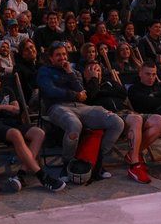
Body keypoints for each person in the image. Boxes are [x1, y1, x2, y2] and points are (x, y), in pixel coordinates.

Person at [0, 60, 65, 192]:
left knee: (39, 133)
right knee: (15, 134)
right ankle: (42, 175)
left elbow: (17, 109)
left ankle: (21, 174)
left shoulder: (7, 88)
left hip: (13, 122)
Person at [36, 42, 124, 182]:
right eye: (58, 55)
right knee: (74, 124)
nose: (62, 57)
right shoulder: (44, 71)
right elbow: (50, 91)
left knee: (117, 122)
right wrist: (74, 95)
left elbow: (82, 91)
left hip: (80, 106)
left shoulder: (73, 71)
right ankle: (68, 163)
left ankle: (95, 160)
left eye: (64, 54)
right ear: (51, 58)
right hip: (57, 107)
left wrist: (70, 73)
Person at [81, 60, 161, 184]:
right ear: (85, 73)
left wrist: (102, 91)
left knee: (160, 121)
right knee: (136, 119)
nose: (96, 72)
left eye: (98, 70)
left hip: (126, 112)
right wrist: (93, 81)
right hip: (108, 117)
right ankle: (135, 165)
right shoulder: (84, 85)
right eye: (92, 70)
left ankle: (132, 154)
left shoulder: (108, 82)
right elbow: (91, 96)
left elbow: (122, 93)